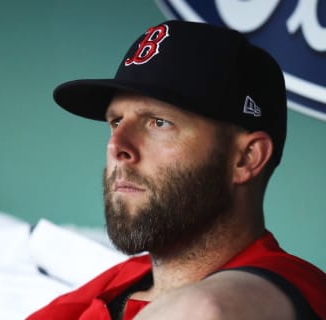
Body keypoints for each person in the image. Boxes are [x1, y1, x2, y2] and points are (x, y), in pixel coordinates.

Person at [27, 20, 326, 319]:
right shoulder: (110, 287)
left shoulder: (294, 286)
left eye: (159, 122)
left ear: (247, 158)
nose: (116, 146)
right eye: (116, 121)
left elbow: (207, 309)